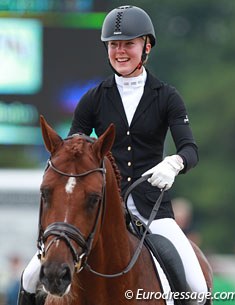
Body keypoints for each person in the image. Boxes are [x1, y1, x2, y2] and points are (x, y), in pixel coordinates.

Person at [18, 5, 208, 305]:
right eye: (114, 45)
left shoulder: (166, 96)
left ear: (146, 47)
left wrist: (174, 163)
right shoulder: (94, 98)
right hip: (98, 208)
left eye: (128, 44)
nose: (120, 51)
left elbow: (190, 149)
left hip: (152, 209)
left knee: (196, 287)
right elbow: (73, 150)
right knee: (30, 278)